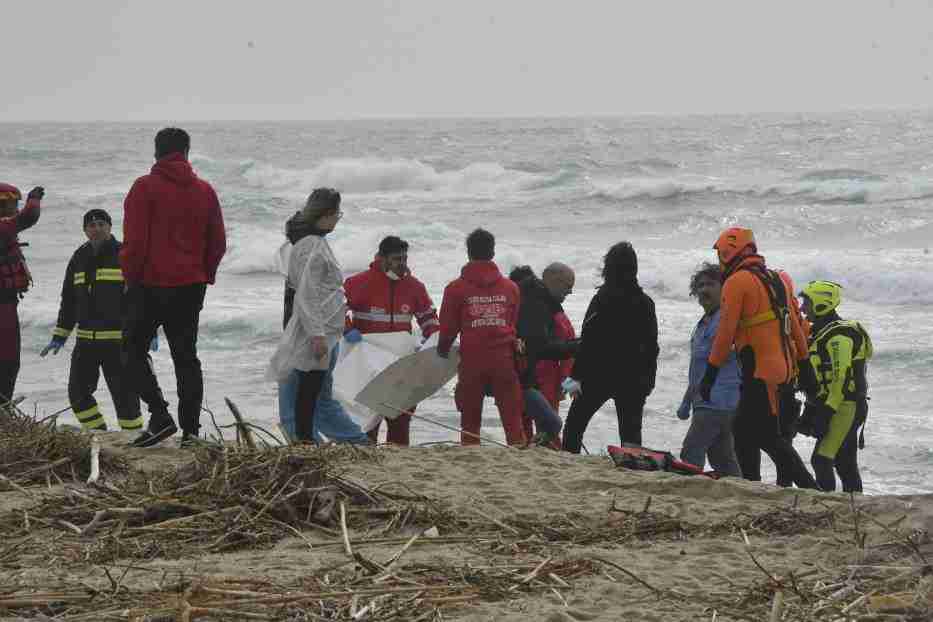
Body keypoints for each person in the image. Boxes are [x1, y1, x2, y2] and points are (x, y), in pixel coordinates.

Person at [121, 128, 227, 448]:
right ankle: (191, 433)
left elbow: (135, 243)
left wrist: (131, 278)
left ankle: (160, 415)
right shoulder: (205, 190)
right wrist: (203, 275)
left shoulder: (144, 187)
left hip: (150, 284)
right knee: (186, 357)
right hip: (190, 286)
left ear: (156, 152)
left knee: (130, 351)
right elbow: (218, 243)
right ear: (187, 152)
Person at [699, 227, 817, 488]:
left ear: (729, 252)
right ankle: (753, 486)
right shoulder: (776, 278)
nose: (720, 259)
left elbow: (725, 333)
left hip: (760, 370)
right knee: (745, 432)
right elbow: (795, 325)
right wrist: (806, 367)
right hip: (785, 369)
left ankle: (811, 488)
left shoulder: (736, 282)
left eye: (720, 254)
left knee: (764, 436)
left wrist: (709, 375)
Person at [40, 209, 146, 432]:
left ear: (109, 227)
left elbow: (141, 296)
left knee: (125, 395)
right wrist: (60, 335)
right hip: (86, 342)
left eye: (101, 224)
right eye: (91, 225)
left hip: (119, 342)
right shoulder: (78, 257)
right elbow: (68, 300)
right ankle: (99, 433)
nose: (96, 228)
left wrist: (148, 329)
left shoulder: (125, 254)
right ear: (85, 230)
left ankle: (133, 437)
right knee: (77, 394)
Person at [274, 199, 369, 445]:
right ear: (324, 215)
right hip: (316, 329)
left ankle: (315, 440)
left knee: (314, 391)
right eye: (337, 213)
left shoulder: (312, 242)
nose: (338, 218)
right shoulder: (311, 246)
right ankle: (307, 441)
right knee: (308, 391)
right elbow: (307, 292)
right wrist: (317, 335)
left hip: (324, 327)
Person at [561, 242, 659, 453]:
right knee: (631, 436)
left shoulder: (602, 300)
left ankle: (569, 463)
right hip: (634, 378)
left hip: (598, 375)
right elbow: (652, 347)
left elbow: (588, 342)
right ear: (634, 269)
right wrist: (649, 381)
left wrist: (574, 376)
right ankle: (631, 471)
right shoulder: (645, 303)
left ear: (608, 268)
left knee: (574, 427)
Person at [344, 235, 440, 445]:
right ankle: (367, 456)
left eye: (405, 259)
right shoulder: (358, 283)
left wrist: (433, 337)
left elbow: (428, 318)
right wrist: (347, 328)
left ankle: (398, 459)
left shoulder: (414, 286)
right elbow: (334, 310)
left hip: (402, 363)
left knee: (401, 417)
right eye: (397, 259)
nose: (402, 264)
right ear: (382, 258)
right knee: (368, 418)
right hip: (367, 366)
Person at [437, 228, 525, 446]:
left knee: (470, 418)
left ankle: (471, 452)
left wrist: (442, 350)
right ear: (493, 252)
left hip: (472, 359)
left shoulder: (455, 288)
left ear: (468, 253)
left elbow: (447, 328)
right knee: (512, 416)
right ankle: (516, 449)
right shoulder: (511, 287)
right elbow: (512, 323)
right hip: (504, 358)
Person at [797, 281, 872, 493]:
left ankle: (828, 504)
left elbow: (840, 376)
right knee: (844, 463)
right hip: (838, 404)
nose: (803, 309)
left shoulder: (840, 335)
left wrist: (827, 411)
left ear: (822, 304)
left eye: (807, 303)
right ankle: (854, 504)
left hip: (845, 406)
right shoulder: (821, 332)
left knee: (821, 459)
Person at [676, 262, 742, 476]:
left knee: (691, 451)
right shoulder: (704, 322)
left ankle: (692, 491)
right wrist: (686, 402)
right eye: (700, 285)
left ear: (725, 288)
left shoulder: (727, 319)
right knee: (721, 457)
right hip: (705, 402)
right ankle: (740, 490)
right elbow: (698, 368)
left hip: (719, 400)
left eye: (711, 284)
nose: (704, 290)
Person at [512, 263, 579, 446]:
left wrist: (569, 383)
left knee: (522, 423)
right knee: (547, 426)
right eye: (568, 286)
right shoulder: (551, 311)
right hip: (545, 377)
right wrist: (570, 384)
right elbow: (568, 354)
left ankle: (525, 449)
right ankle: (544, 451)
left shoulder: (525, 306)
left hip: (526, 374)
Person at [0, 183, 43, 407]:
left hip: (7, 303)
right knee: (7, 360)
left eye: (15, 205)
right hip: (2, 305)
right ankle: (3, 406)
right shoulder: (3, 228)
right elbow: (29, 217)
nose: (13, 210)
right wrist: (34, 198)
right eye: (8, 204)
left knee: (8, 360)